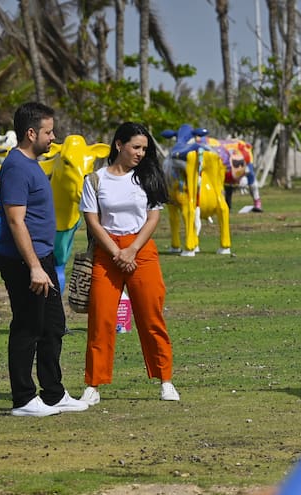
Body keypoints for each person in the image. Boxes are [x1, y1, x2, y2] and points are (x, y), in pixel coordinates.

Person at [0, 102, 89, 417]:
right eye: (48, 132)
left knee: (53, 326)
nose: (53, 137)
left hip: (42, 258)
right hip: (25, 261)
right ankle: (23, 399)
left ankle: (53, 393)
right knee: (28, 325)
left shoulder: (32, 163)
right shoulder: (15, 168)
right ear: (31, 132)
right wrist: (34, 267)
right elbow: (15, 221)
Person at [79, 122, 180, 404]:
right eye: (136, 147)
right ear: (119, 145)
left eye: (144, 149)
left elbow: (153, 217)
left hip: (142, 251)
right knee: (101, 319)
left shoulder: (146, 178)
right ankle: (93, 384)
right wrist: (116, 252)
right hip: (107, 252)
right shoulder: (95, 179)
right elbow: (92, 220)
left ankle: (166, 380)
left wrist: (132, 250)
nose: (140, 153)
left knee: (151, 317)